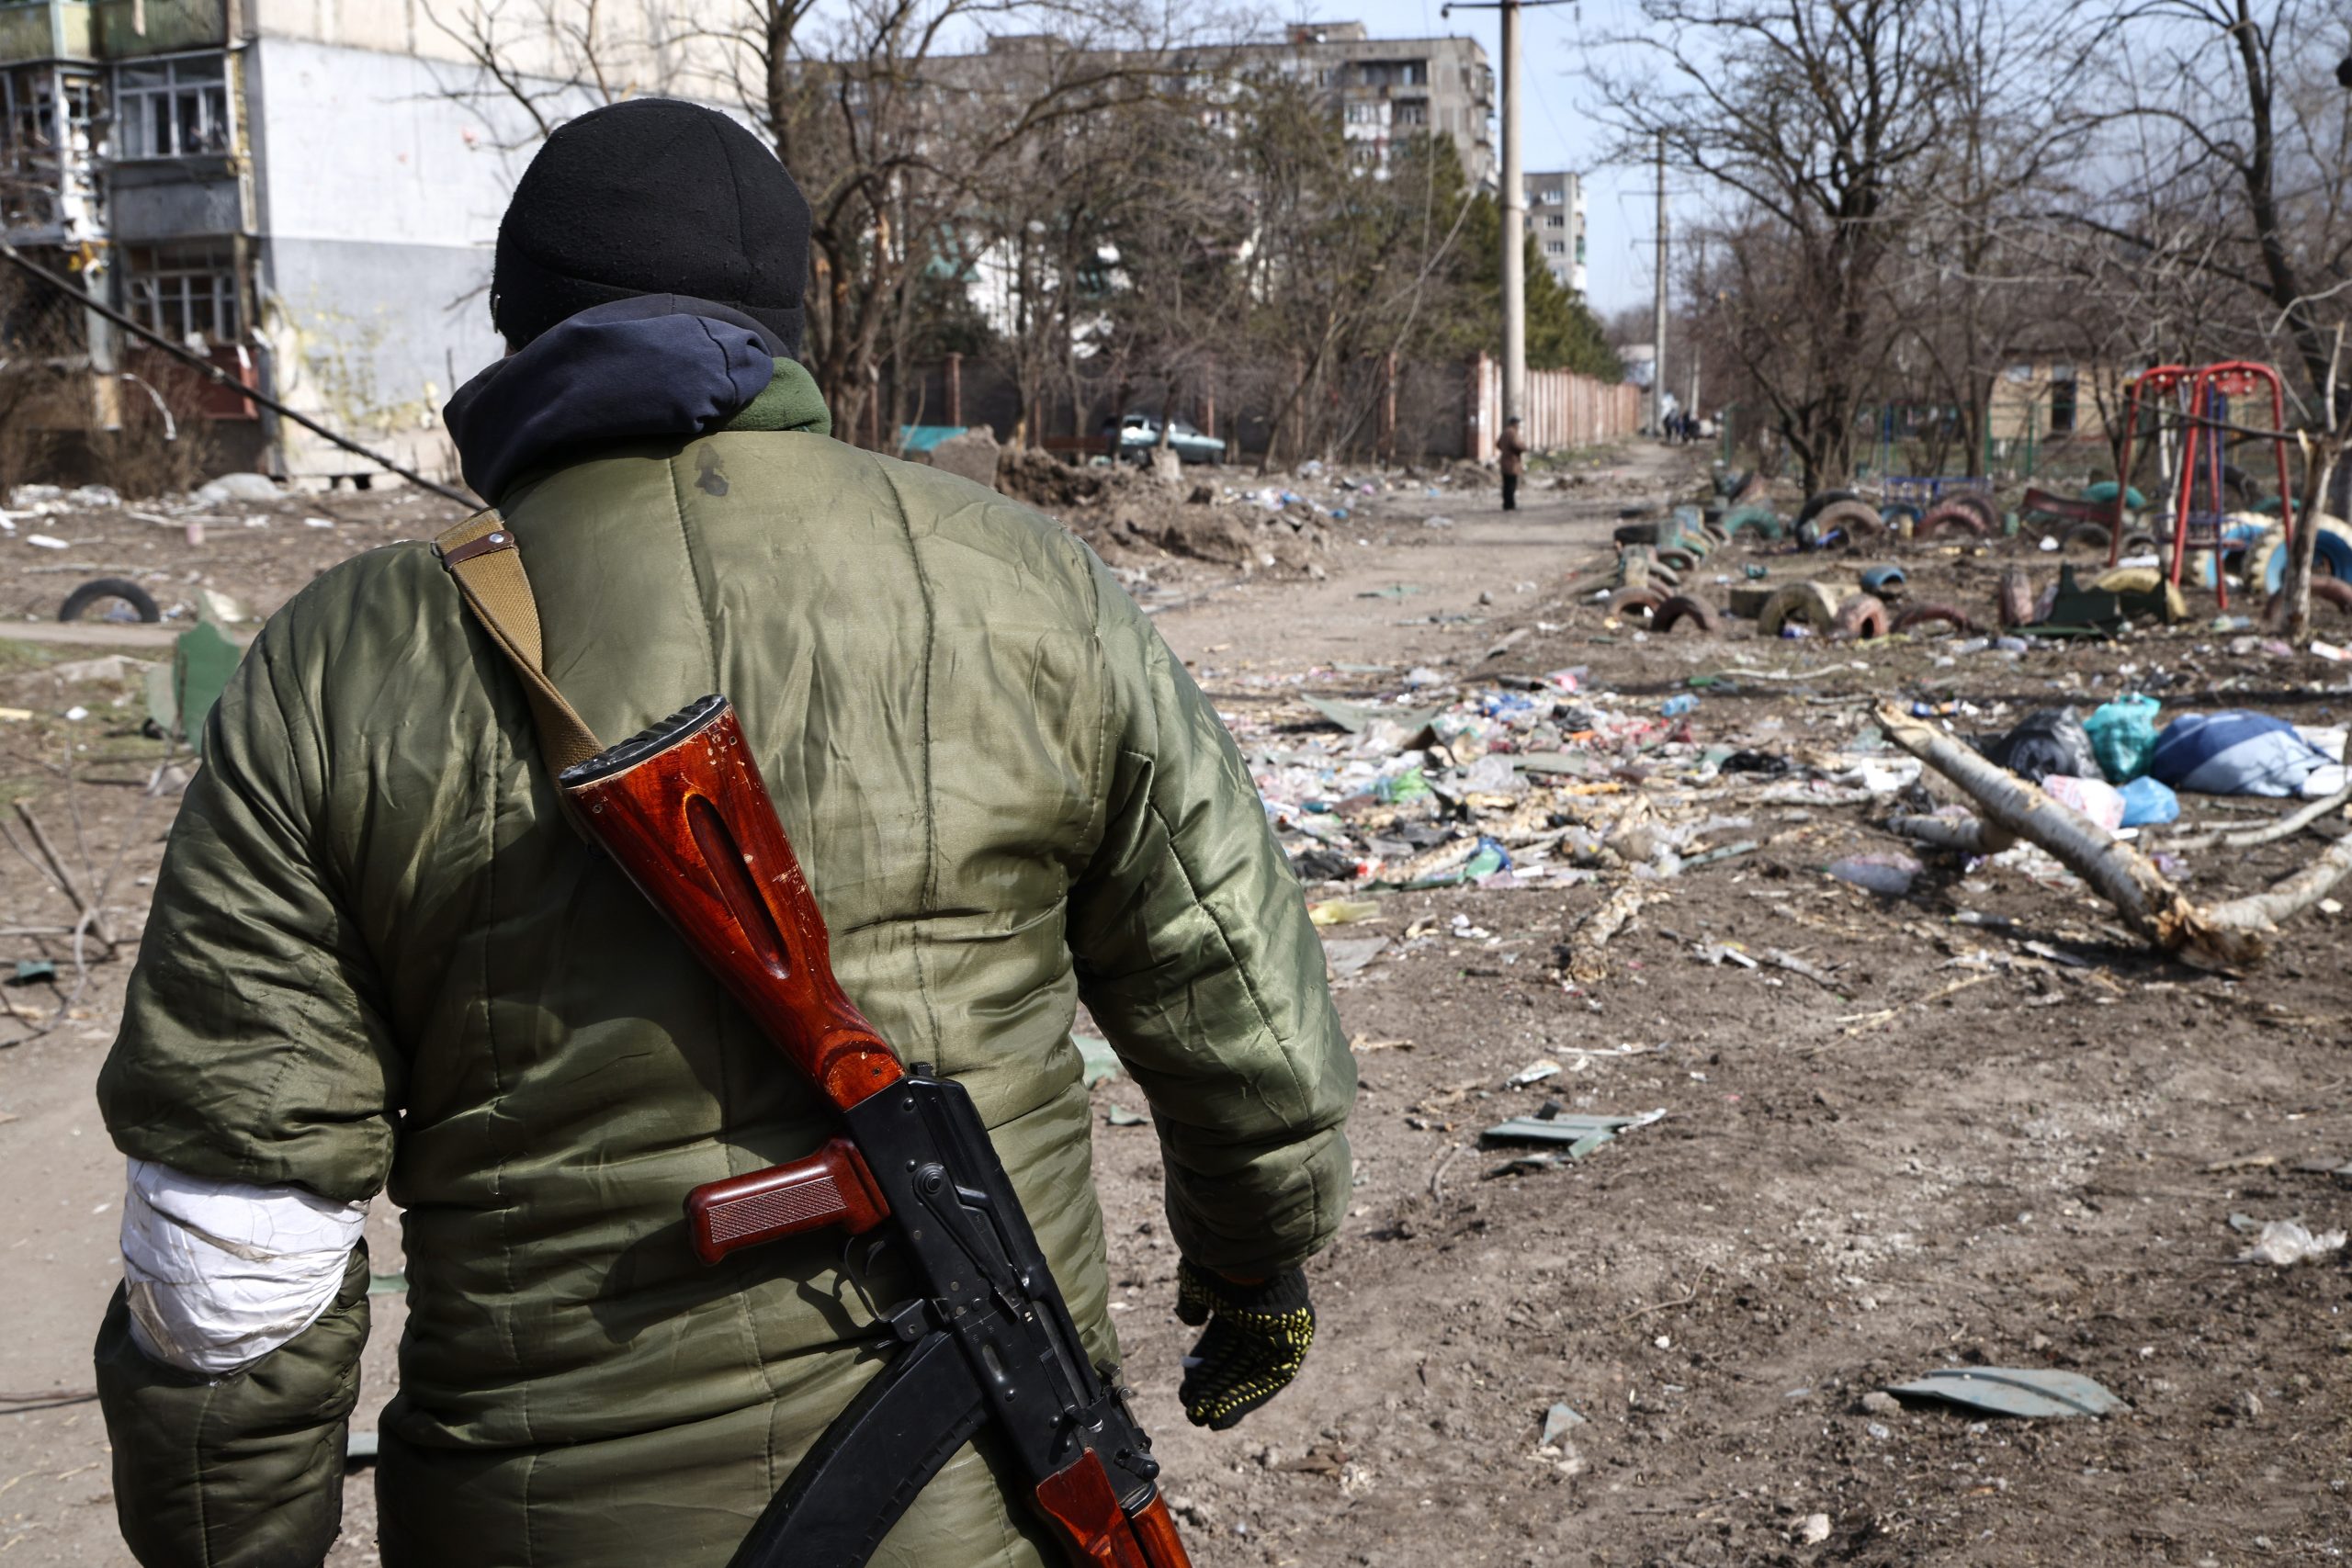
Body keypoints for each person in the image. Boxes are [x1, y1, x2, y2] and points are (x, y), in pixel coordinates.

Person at [93, 98, 1354, 1568]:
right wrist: (1259, 1259)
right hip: (993, 1501)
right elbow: (1247, 1016)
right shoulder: (1024, 579)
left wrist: (227, 1542)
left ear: (517, 324)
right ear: (791, 321)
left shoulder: (341, 658)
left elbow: (229, 1247)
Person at [1498, 414, 1527, 510]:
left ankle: (1506, 504)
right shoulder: (1513, 432)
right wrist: (1524, 447)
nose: (1518, 425)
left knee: (1506, 484)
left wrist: (1505, 450)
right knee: (1511, 485)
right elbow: (1516, 445)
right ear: (1515, 423)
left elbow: (1498, 444)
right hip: (1512, 463)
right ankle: (1510, 505)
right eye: (1518, 423)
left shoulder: (1505, 432)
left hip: (1504, 462)